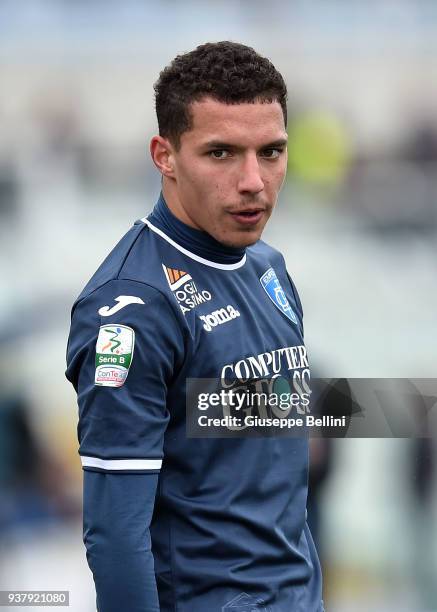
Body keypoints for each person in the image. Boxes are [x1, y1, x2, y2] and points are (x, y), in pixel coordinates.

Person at [66, 41, 324, 612]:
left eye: (272, 151)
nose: (253, 180)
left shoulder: (267, 268)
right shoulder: (133, 307)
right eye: (222, 153)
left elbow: (233, 416)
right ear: (165, 155)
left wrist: (410, 409)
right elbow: (114, 536)